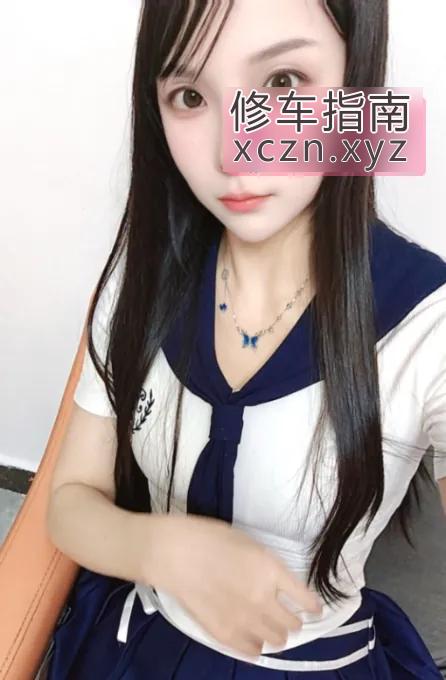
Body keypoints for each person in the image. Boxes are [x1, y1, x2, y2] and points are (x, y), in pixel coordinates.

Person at [45, 0, 446, 678]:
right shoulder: (142, 278)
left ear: (356, 87)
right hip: (132, 644)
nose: (234, 153)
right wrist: (161, 549)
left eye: (284, 84)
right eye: (190, 96)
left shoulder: (428, 321)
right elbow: (68, 501)